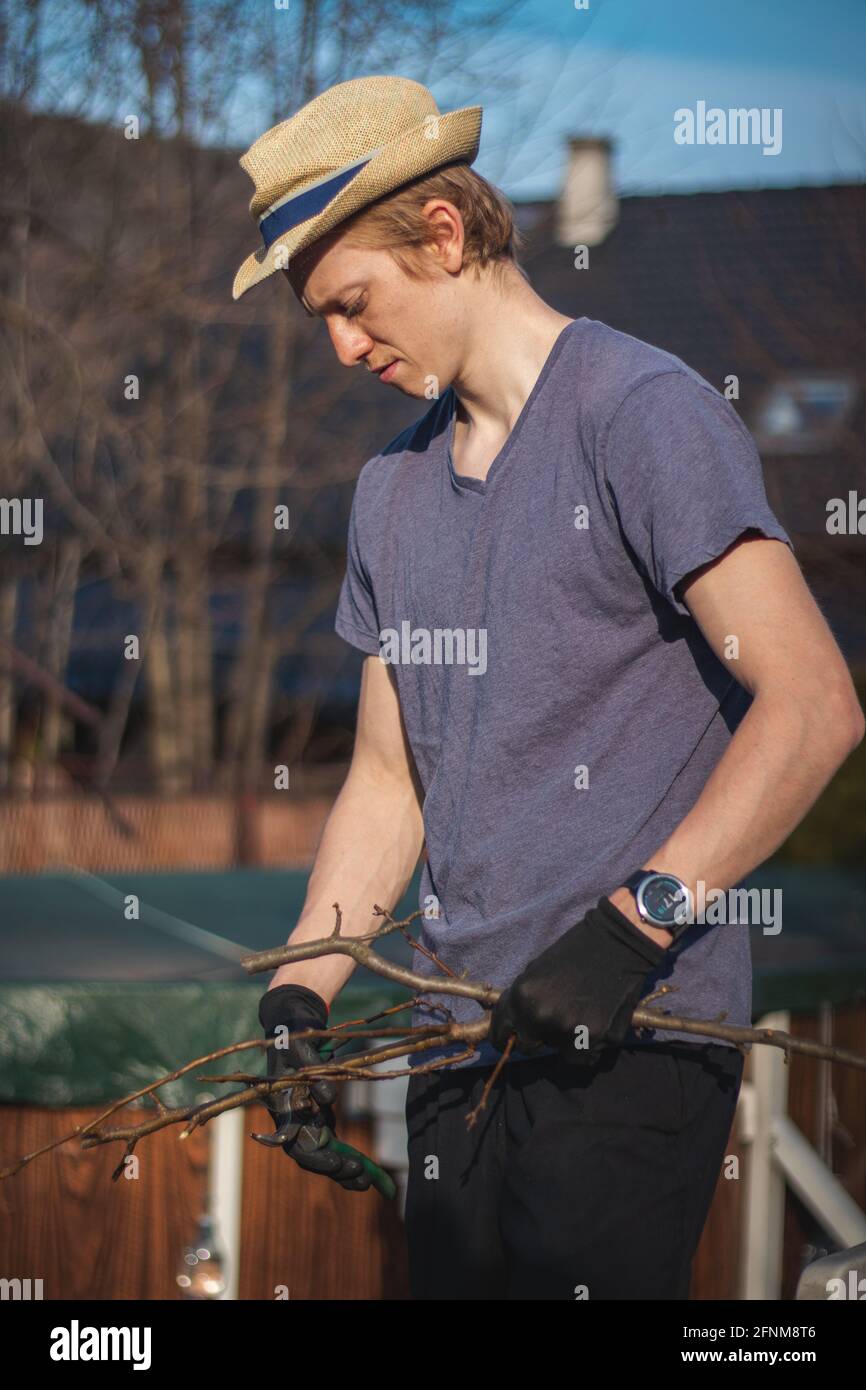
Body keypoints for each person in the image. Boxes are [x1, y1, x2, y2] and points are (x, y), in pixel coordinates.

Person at [233, 76, 865, 1299]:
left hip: (628, 1033)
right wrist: (300, 994)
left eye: (352, 305)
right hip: (450, 1046)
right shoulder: (389, 494)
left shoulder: (642, 416)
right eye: (318, 319)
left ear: (444, 234)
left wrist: (635, 926)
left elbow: (812, 703)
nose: (342, 349)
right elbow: (385, 778)